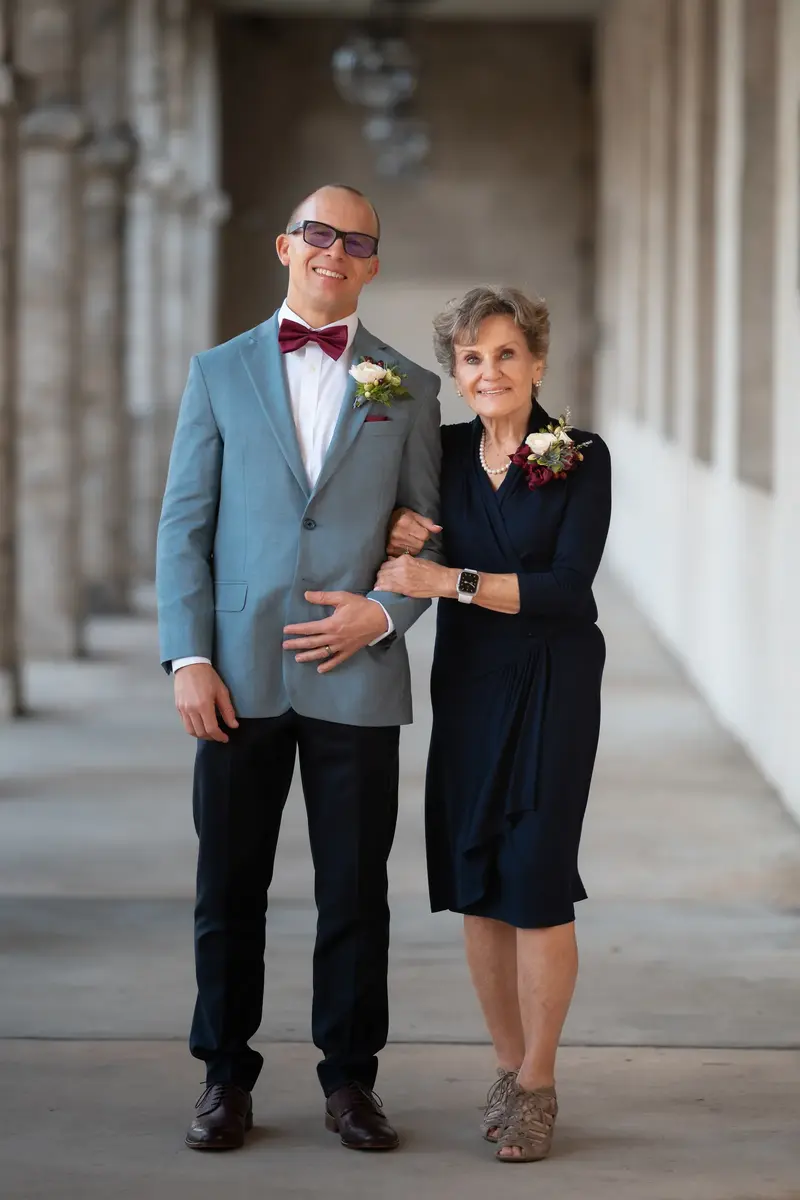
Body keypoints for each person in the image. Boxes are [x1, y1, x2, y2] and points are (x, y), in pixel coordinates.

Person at [156, 184, 442, 1153]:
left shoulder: (404, 386)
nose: (334, 250)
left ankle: (350, 1082)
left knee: (354, 891)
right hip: (235, 672)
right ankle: (223, 1077)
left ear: (370, 264)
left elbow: (426, 536)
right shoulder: (218, 371)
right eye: (318, 233)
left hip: (356, 675)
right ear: (285, 246)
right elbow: (183, 524)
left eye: (355, 241)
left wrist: (384, 611)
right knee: (226, 886)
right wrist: (188, 657)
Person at [376, 286, 611, 1163]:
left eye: (507, 354)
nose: (490, 371)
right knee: (477, 874)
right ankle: (507, 1068)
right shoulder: (439, 455)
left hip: (553, 682)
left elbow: (567, 589)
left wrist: (451, 582)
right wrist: (393, 529)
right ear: (456, 373)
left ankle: (542, 1082)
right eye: (472, 358)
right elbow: (390, 538)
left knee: (537, 873)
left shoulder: (582, 455)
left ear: (538, 363)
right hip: (470, 684)